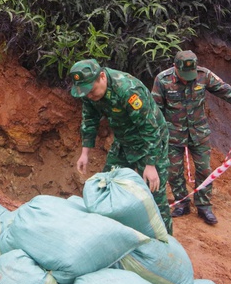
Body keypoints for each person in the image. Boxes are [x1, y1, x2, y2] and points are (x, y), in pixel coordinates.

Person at [151, 50, 231, 225]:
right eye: (183, 75)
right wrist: (158, 135)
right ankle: (182, 203)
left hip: (199, 133)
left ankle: (204, 206)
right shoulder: (163, 80)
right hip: (173, 134)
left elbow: (226, 91)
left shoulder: (204, 75)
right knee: (174, 171)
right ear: (175, 67)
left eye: (191, 75)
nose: (188, 79)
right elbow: (155, 110)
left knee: (204, 169)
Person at [70, 59, 173, 235]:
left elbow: (150, 128)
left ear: (102, 76)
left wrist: (150, 164)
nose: (89, 96)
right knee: (107, 184)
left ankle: (166, 244)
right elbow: (89, 120)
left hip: (151, 142)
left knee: (154, 195)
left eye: (92, 91)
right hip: (124, 141)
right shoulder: (88, 92)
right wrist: (85, 153)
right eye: (86, 92)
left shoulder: (128, 90)